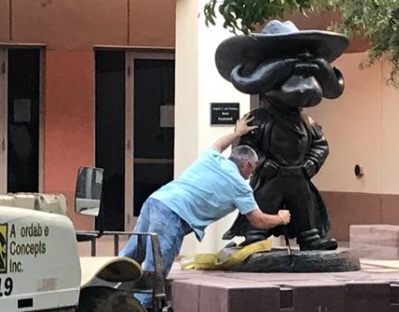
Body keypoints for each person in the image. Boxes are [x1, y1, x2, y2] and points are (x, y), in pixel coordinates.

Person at [118, 114, 291, 308]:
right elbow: (258, 220)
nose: (253, 173)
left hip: (155, 202)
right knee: (155, 271)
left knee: (131, 254)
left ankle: (108, 293)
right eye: (254, 168)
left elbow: (218, 144)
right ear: (247, 165)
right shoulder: (240, 187)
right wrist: (280, 218)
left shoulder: (212, 159)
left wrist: (237, 133)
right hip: (174, 215)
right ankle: (140, 307)